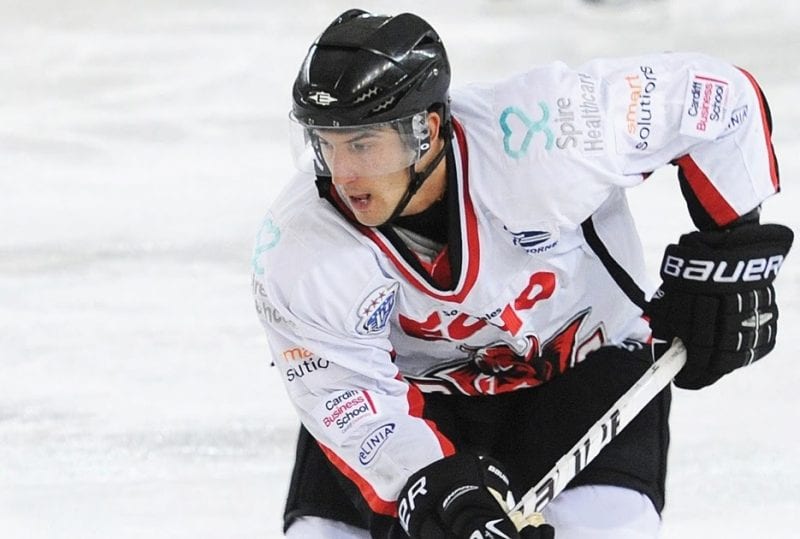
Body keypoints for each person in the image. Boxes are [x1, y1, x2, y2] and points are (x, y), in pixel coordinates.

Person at [252, 9, 793, 538]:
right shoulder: (300, 249)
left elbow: (717, 97)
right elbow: (349, 399)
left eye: (363, 144)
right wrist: (439, 492)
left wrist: (732, 252)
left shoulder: (549, 135)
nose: (343, 174)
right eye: (324, 144)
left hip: (585, 377)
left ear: (426, 131)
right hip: (414, 401)